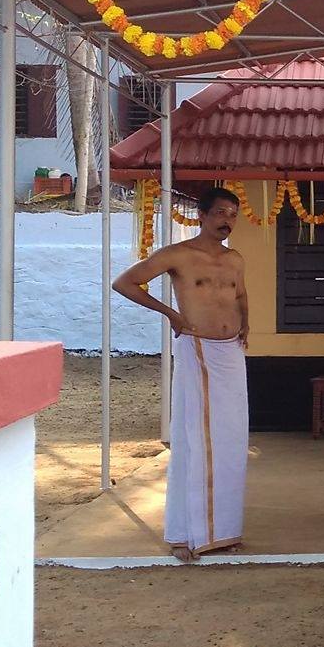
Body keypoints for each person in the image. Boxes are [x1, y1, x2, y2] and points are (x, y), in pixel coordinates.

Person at [112, 186, 249, 560]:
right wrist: (171, 314)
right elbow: (124, 282)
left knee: (232, 441)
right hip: (198, 347)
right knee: (198, 439)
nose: (227, 221)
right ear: (201, 216)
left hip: (232, 351)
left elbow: (240, 296)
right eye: (221, 213)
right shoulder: (178, 255)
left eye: (233, 214)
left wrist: (246, 324)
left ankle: (224, 531)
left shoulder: (234, 258)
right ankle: (188, 534)